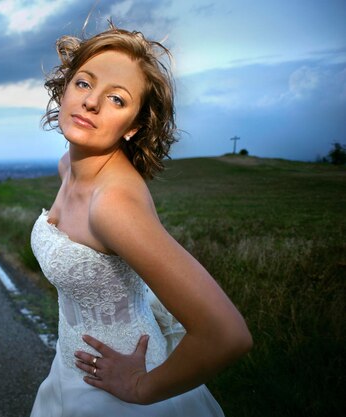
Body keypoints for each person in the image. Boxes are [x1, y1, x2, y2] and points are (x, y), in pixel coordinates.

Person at [29, 23, 252, 416]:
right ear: (64, 88)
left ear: (133, 126)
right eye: (84, 83)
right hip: (69, 373)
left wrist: (140, 386)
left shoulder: (112, 204)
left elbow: (226, 335)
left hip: (115, 398)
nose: (92, 102)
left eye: (116, 99)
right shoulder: (69, 166)